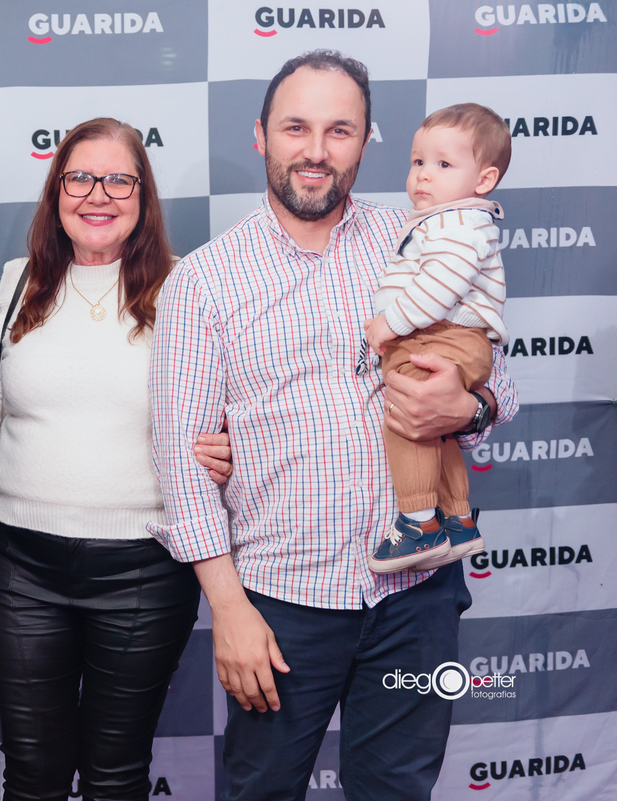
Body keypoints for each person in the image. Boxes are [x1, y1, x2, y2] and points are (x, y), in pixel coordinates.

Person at [149, 51, 518, 800]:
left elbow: (498, 382)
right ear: (261, 135)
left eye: (339, 130)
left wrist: (469, 407)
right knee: (262, 791)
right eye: (296, 127)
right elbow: (181, 461)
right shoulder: (203, 280)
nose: (316, 150)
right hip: (281, 607)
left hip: (417, 599)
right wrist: (228, 609)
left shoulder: (421, 241)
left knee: (398, 790)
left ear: (365, 140)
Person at [0, 117, 209, 801]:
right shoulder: (18, 281)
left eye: (118, 180)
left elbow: (218, 419)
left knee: (115, 775)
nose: (97, 194)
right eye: (79, 178)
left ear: (143, 195)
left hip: (146, 569)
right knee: (32, 774)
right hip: (20, 567)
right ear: (56, 191)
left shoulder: (186, 287)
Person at [364, 103, 512, 573]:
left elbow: (438, 287)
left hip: (443, 337)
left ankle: (418, 524)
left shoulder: (458, 223)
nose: (424, 175)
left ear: (484, 179)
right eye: (418, 161)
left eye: (444, 164)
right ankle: (458, 519)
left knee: (405, 415)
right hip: (448, 337)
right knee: (434, 428)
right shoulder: (445, 220)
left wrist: (389, 324)